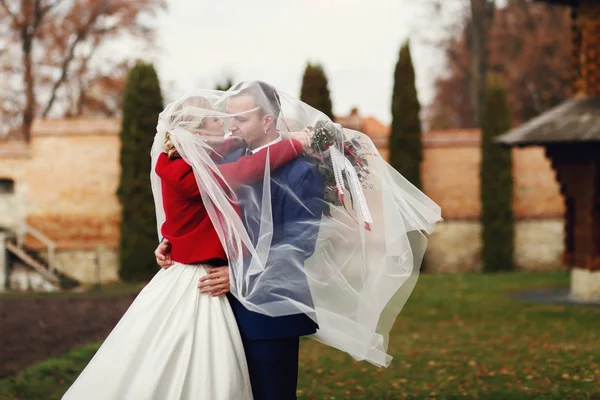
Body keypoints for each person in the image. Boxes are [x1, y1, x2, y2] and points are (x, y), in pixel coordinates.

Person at [62, 95, 312, 400]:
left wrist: (172, 239)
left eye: (235, 120)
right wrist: (295, 143)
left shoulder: (191, 160)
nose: (227, 128)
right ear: (196, 134)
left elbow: (299, 241)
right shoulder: (194, 172)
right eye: (217, 122)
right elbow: (244, 170)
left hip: (239, 296)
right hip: (200, 283)